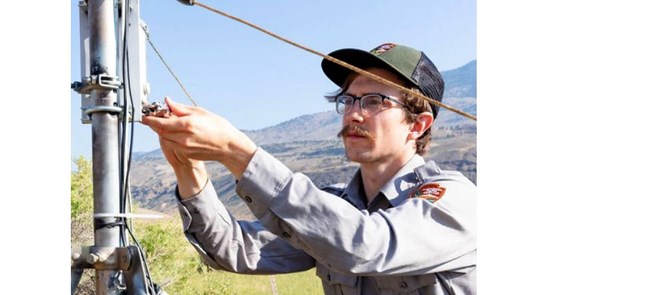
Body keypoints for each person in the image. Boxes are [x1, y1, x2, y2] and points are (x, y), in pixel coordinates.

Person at [141, 43, 476, 294]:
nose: (353, 114)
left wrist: (237, 152)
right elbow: (235, 249)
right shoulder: (336, 210)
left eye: (374, 100)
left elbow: (364, 246)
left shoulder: (456, 201)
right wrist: (188, 167)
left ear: (417, 125)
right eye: (348, 100)